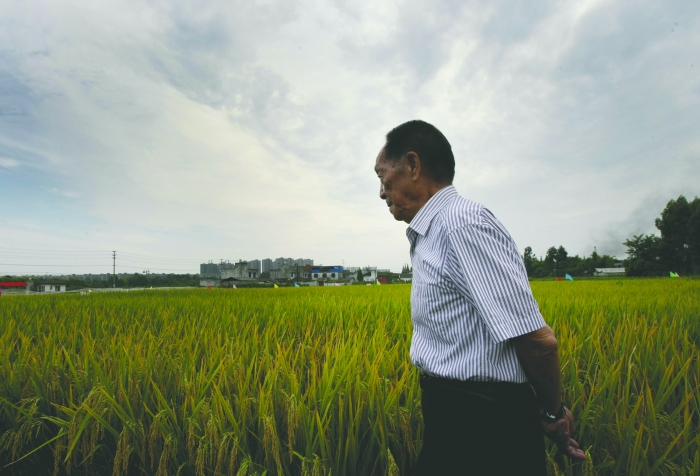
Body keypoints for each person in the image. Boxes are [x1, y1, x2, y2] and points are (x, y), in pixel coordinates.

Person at [374, 120, 586, 475]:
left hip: (485, 427)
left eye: (383, 177)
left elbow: (537, 341)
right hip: (454, 417)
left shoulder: (461, 225)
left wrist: (553, 415)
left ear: (413, 165)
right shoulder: (434, 232)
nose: (381, 192)